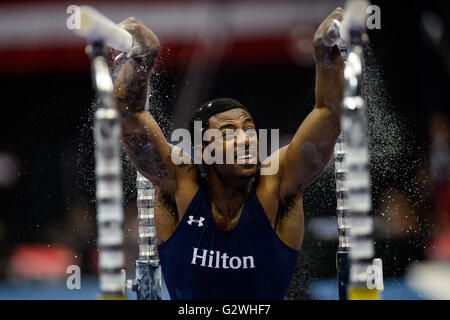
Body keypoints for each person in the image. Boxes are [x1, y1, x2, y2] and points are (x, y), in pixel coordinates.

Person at [113, 8, 345, 299]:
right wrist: (143, 60)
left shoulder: (276, 183)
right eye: (227, 134)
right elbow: (129, 117)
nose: (245, 139)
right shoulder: (180, 183)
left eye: (248, 129)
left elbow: (328, 115)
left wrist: (326, 55)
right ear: (202, 151)